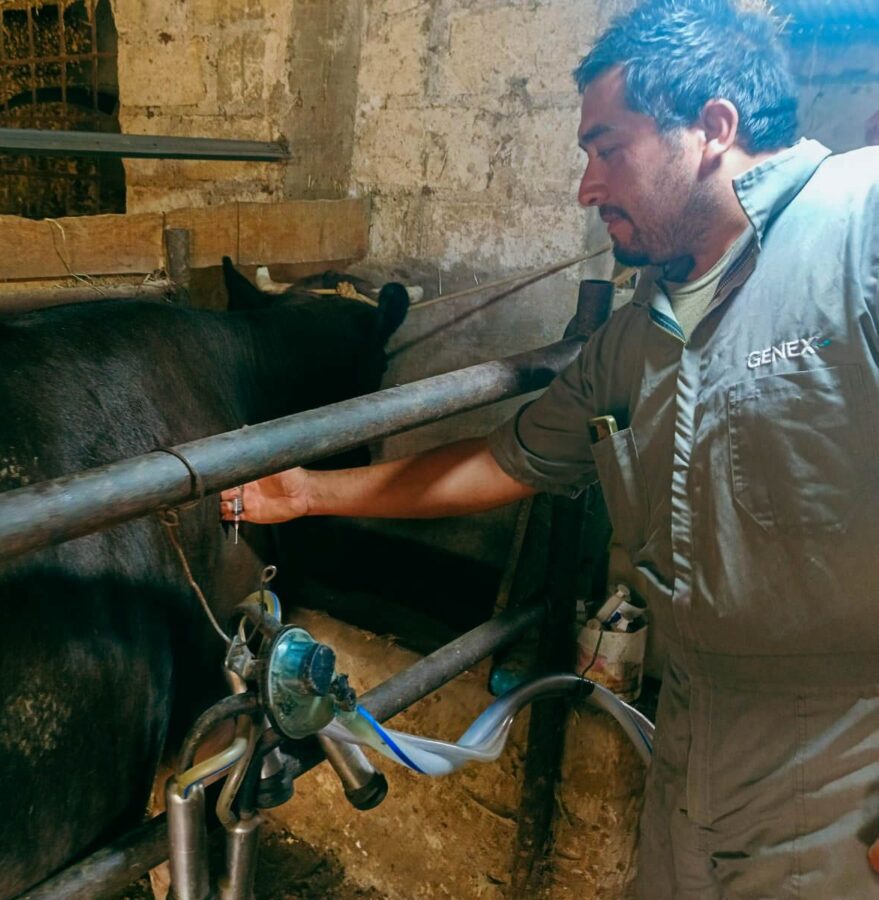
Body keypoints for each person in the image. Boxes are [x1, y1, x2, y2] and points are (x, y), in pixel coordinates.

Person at [222, 0, 879, 896]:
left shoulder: (859, 225)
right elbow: (502, 463)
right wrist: (306, 492)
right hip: (689, 730)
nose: (586, 186)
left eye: (608, 148)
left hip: (850, 751)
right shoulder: (637, 333)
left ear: (712, 129)